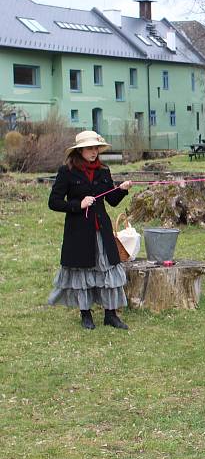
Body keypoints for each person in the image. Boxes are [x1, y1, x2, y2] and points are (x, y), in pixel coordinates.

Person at [48, 130, 133, 330]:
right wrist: (78, 204)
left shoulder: (103, 170)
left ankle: (110, 315)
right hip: (78, 232)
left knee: (108, 269)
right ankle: (85, 315)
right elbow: (54, 202)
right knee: (82, 271)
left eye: (96, 148)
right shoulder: (66, 172)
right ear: (80, 151)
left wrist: (122, 190)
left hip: (101, 230)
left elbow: (111, 201)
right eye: (89, 148)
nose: (94, 151)